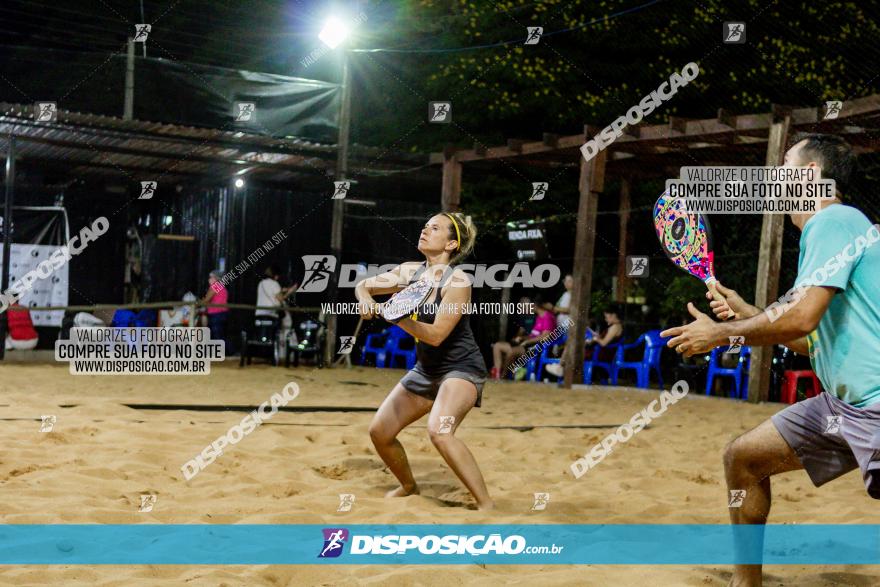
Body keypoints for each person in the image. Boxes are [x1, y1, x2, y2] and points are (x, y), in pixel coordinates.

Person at [660, 133, 880, 587]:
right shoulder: (832, 231)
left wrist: (720, 332)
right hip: (843, 408)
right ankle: (747, 583)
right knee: (744, 459)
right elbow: (812, 340)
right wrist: (749, 315)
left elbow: (800, 320)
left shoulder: (832, 220)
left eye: (783, 163)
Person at [355, 211, 493, 510]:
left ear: (451, 244)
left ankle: (486, 507)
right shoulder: (409, 271)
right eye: (424, 225)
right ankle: (408, 486)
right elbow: (364, 285)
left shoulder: (458, 281)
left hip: (461, 368)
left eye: (434, 228)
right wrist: (366, 298)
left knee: (440, 431)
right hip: (426, 370)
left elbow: (437, 336)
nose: (424, 230)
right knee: (380, 432)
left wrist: (397, 316)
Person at [544, 304, 623, 377]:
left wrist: (595, 339)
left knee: (572, 346)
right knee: (572, 345)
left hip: (600, 354)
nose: (606, 319)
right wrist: (595, 337)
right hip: (598, 351)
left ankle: (561, 368)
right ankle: (561, 368)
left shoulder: (615, 327)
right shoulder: (615, 326)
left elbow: (603, 343)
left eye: (607, 317)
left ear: (614, 315)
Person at [490, 298, 557, 379]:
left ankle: (504, 375)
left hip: (537, 348)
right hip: (527, 345)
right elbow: (534, 335)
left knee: (511, 352)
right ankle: (499, 374)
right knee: (498, 346)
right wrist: (523, 338)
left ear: (535, 306)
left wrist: (528, 341)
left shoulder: (547, 317)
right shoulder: (539, 317)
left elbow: (546, 336)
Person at [201, 270, 229, 351]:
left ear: (216, 278)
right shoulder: (221, 287)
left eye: (211, 277)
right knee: (218, 334)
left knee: (217, 334)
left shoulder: (216, 286)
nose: (209, 279)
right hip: (221, 313)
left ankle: (229, 351)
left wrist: (199, 302)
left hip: (217, 314)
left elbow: (206, 300)